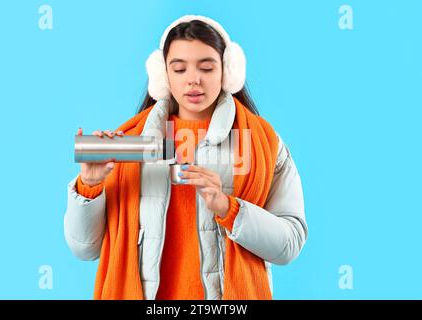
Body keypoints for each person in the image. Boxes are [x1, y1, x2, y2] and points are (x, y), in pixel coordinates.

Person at [64, 15, 308, 300]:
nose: (193, 79)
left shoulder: (264, 143)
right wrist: (90, 187)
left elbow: (289, 244)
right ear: (163, 75)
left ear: (227, 71)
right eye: (179, 69)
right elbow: (85, 248)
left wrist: (229, 208)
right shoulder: (129, 142)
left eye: (206, 67)